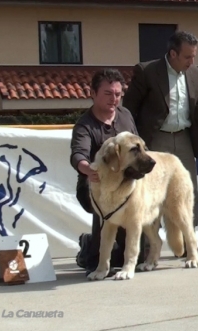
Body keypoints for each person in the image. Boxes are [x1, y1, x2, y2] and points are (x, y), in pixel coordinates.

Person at [123, 31, 198, 257]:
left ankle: (189, 243)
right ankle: (147, 248)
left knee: (187, 192)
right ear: (173, 53)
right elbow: (128, 109)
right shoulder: (147, 71)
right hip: (154, 140)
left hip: (184, 138)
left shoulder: (194, 73)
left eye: (194, 56)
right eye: (187, 57)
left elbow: (196, 109)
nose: (192, 62)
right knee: (150, 193)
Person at [70, 68, 145, 276]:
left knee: (140, 256)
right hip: (96, 187)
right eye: (108, 94)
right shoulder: (84, 125)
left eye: (118, 94)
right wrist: (87, 170)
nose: (114, 99)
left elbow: (138, 148)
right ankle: (90, 246)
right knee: (97, 261)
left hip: (127, 185)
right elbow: (78, 155)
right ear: (93, 94)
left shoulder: (126, 115)